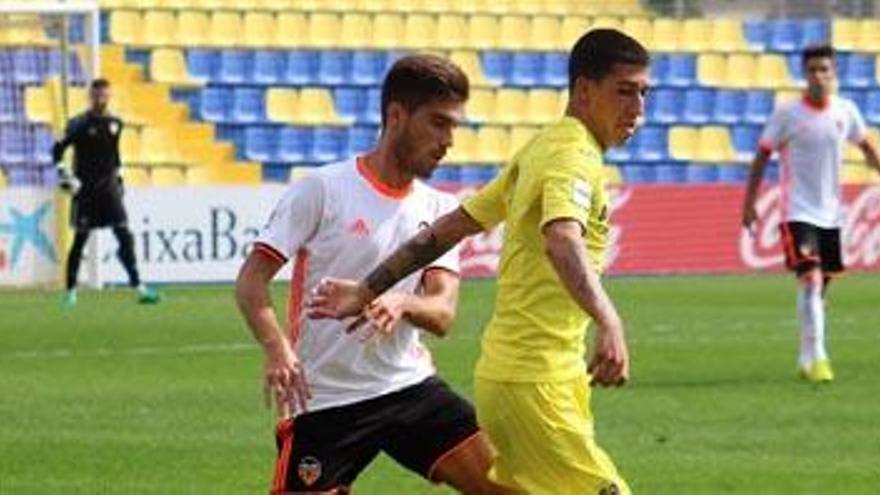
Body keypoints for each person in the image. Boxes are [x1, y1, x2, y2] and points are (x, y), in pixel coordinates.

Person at [308, 29, 650, 495]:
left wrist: (366, 289)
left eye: (644, 93)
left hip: (532, 376)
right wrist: (610, 321)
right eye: (625, 92)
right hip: (534, 381)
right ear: (584, 91)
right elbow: (562, 240)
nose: (638, 108)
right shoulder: (570, 156)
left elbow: (447, 229)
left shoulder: (543, 147)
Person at [236, 55, 507, 495]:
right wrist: (277, 349)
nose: (449, 141)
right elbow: (252, 281)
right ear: (396, 116)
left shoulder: (438, 210)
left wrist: (402, 301)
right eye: (438, 124)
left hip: (410, 387)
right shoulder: (322, 189)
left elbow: (441, 314)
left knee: (513, 486)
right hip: (326, 400)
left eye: (454, 127)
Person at [742, 44, 880, 383]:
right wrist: (749, 203)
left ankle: (805, 358)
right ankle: (819, 358)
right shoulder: (788, 115)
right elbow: (762, 156)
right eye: (813, 70)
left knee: (819, 287)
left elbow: (866, 147)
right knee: (811, 278)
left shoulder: (845, 112)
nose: (819, 76)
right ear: (804, 74)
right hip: (797, 212)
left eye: (825, 70)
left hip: (832, 214)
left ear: (834, 74)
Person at [52, 78, 160, 306]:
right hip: (86, 191)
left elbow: (115, 155)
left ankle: (139, 287)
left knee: (124, 236)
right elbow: (57, 150)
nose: (100, 98)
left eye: (104, 94)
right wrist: (63, 173)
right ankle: (71, 291)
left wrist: (119, 178)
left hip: (109, 190)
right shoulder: (79, 124)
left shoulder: (115, 124)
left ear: (109, 96)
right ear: (90, 97)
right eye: (97, 94)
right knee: (80, 241)